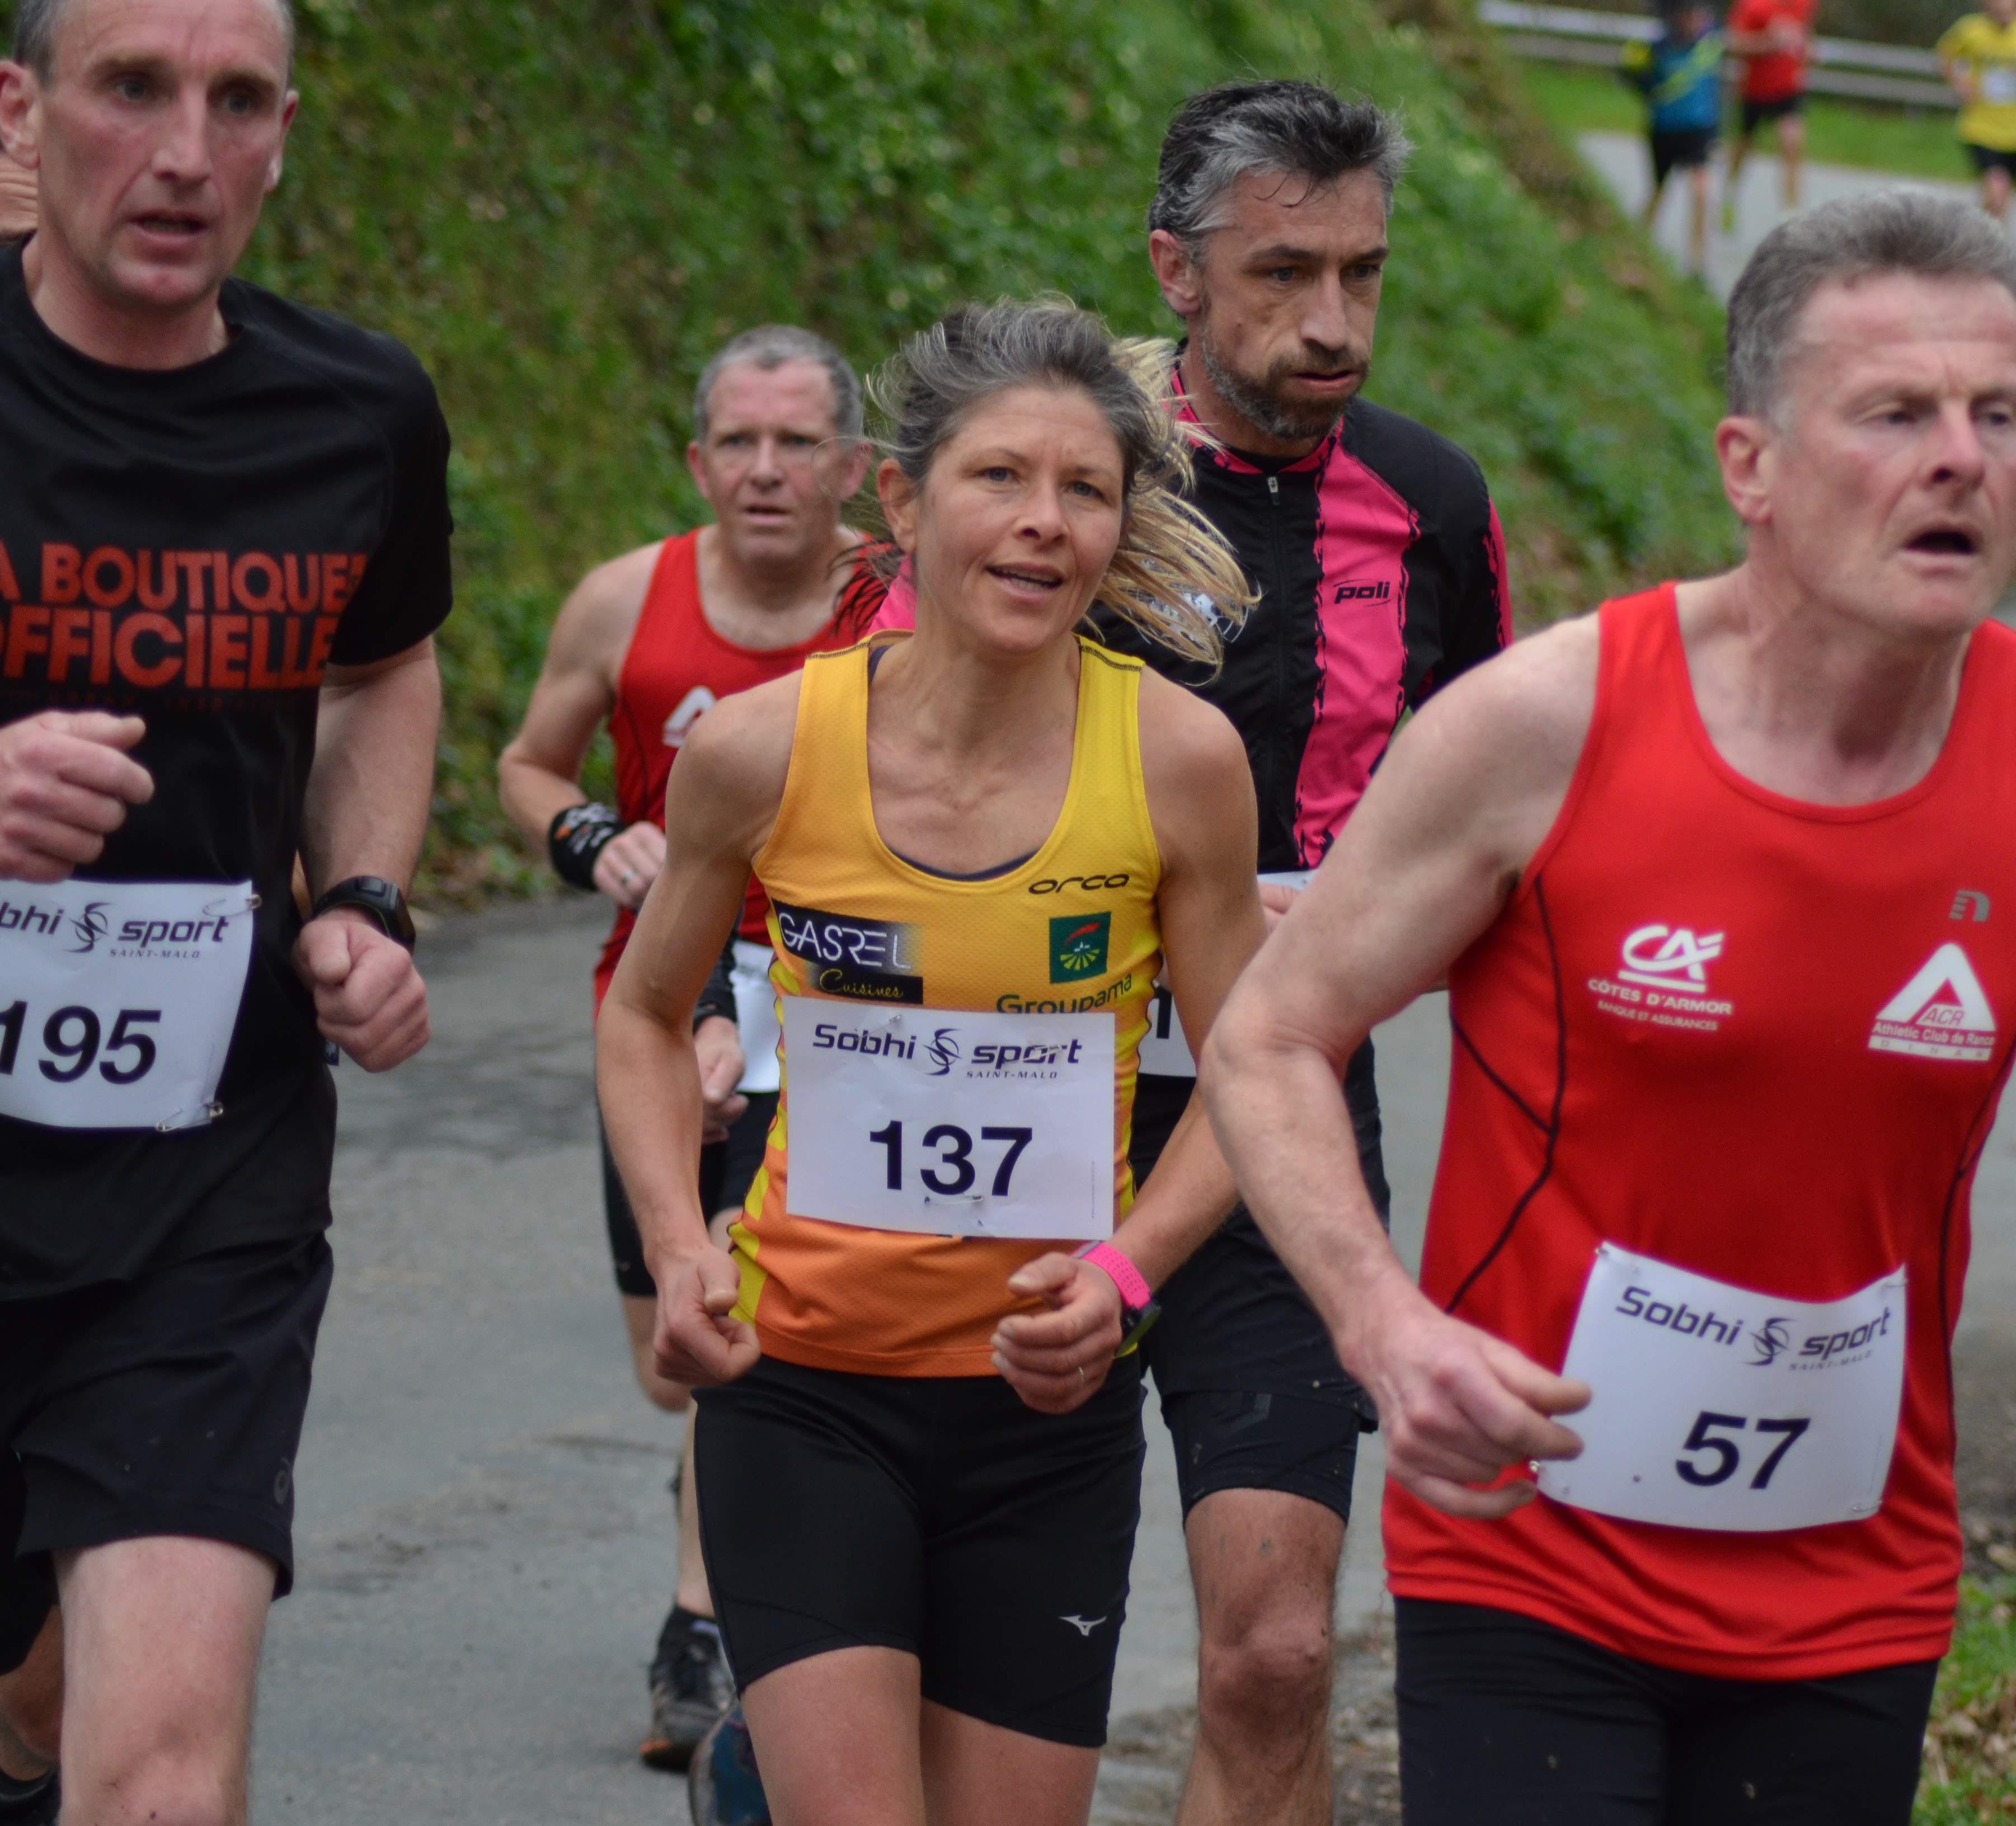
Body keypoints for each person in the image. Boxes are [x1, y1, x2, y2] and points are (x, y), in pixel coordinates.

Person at [1200, 191, 2016, 1826]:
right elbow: (1270, 1034)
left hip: (1852, 1579)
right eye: (1895, 413)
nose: (1961, 458)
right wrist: (1384, 1326)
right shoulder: (1544, 725)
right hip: (1529, 1551)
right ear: (1751, 467)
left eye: (1997, 414)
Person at [859, 84, 1515, 1825]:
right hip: (1002, 1099)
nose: (1332, 323)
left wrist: (1367, 926)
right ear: (1175, 269)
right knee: (937, 1649)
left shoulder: (1430, 502)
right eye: (1283, 274)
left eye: (1363, 274)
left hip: (1279, 1124)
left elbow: (1492, 827)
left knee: (1277, 1651)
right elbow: (871, 759)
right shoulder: (1056, 482)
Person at [598, 297, 1267, 1826]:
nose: (1044, 523)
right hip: (802, 1388)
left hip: (1045, 1417)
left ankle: (744, 1774)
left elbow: (1256, 1073)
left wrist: (1128, 1274)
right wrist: (679, 1243)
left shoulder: (1178, 762)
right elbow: (643, 1015)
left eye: (1085, 489)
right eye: (999, 478)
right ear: (901, 501)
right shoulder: (762, 749)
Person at [0, 0, 453, 1821]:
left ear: (283, 133)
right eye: (133, 87)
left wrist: (364, 897)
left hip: (203, 1177)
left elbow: (382, 665)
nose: (185, 152)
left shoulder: (355, 409)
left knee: (164, 1778)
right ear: (24, 109)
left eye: (237, 100)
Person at [494, 325, 876, 1769]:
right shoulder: (625, 600)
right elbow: (527, 766)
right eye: (739, 443)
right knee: (674, 1365)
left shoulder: (900, 603)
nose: (767, 471)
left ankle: (703, 1628)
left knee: (741, 1319)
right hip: (652, 1012)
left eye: (798, 444)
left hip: (844, 1009)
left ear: (855, 465)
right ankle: (718, 1518)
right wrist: (589, 835)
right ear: (699, 461)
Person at [1934, 0, 2016, 227]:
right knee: (1997, 190)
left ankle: (1978, 234)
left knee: (2001, 203)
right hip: (1980, 128)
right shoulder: (1971, 30)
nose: (2004, 9)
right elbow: (1944, 60)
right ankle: (1987, 240)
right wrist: (1961, 82)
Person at [1620, 1, 1726, 274]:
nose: (1695, 20)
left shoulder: (1710, 43)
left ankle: (1697, 263)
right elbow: (1634, 79)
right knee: (1658, 192)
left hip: (1699, 130)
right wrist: (1636, 74)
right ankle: (1634, 246)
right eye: (1689, 14)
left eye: (1699, 14)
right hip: (1664, 129)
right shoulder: (1657, 47)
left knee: (1701, 190)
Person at [1722, 0, 1813, 233]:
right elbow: (1734, 44)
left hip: (1788, 88)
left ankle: (1791, 214)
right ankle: (1729, 193)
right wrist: (1769, 42)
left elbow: (1805, 36)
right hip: (1755, 89)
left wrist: (1808, 52)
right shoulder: (1753, 6)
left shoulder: (1804, 4)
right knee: (1744, 147)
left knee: (1792, 143)